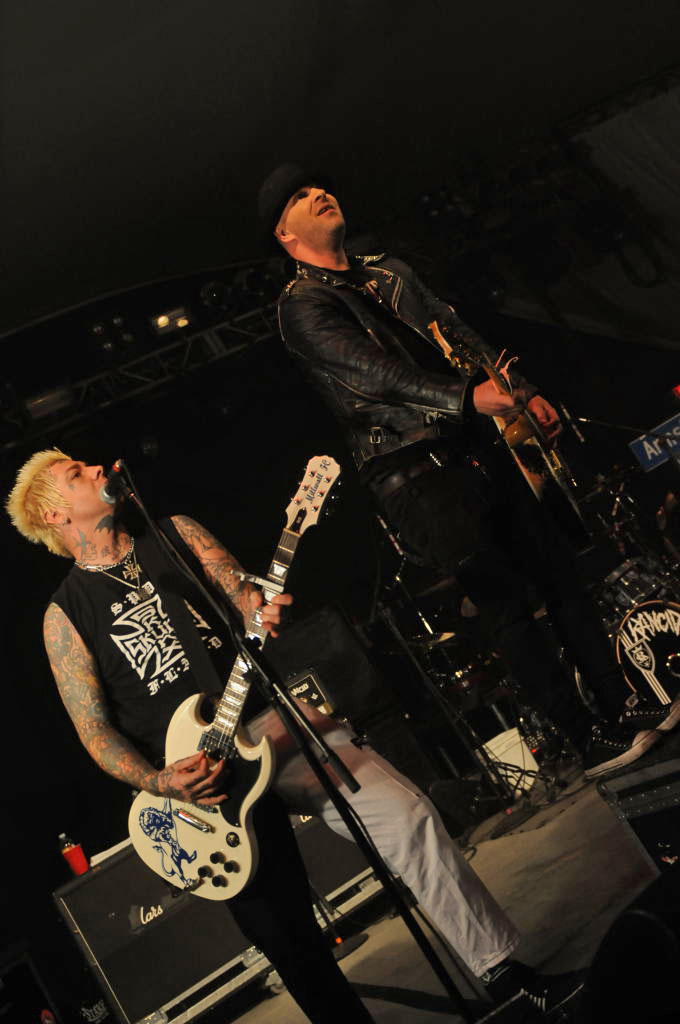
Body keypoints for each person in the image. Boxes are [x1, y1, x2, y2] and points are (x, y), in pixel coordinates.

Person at [7, 449, 584, 1020]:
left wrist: (256, 607)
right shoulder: (65, 616)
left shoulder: (174, 533)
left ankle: (504, 973)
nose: (96, 468)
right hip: (201, 784)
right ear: (55, 514)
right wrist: (160, 781)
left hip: (266, 717)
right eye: (75, 474)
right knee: (287, 936)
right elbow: (93, 729)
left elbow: (239, 590)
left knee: (406, 817)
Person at [258, 161, 677, 780]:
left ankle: (620, 707)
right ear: (284, 234)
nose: (321, 192)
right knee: (506, 605)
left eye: (319, 185)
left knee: (560, 574)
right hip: (412, 468)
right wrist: (463, 397)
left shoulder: (388, 271)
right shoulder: (302, 306)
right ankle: (584, 738)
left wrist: (520, 389)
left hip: (475, 441)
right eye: (300, 195)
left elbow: (457, 330)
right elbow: (374, 375)